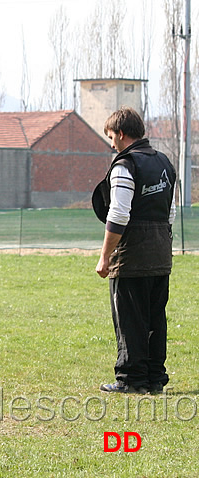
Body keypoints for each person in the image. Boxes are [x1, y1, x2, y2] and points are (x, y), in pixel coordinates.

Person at [92, 106, 176, 395]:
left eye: (112, 136)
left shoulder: (125, 165)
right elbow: (170, 212)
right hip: (161, 254)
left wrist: (105, 257)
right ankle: (155, 379)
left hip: (131, 257)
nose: (111, 143)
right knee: (155, 319)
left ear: (122, 134)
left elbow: (118, 214)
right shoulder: (164, 162)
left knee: (129, 319)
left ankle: (130, 379)